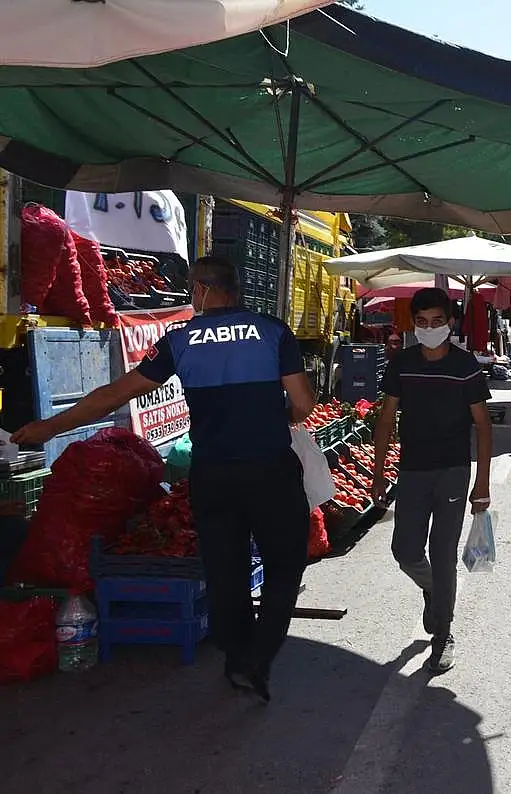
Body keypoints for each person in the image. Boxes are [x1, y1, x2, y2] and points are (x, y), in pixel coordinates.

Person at [13, 256, 315, 703]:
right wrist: (276, 415)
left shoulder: (180, 340)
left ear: (201, 289)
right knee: (285, 562)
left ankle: (236, 659)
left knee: (225, 568)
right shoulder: (272, 331)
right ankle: (260, 654)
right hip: (269, 468)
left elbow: (114, 394)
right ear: (235, 288)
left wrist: (49, 427)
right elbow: (304, 403)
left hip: (214, 474)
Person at [371, 287, 492, 674]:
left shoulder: (465, 365)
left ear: (450, 323)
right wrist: (378, 471)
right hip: (412, 471)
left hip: (453, 472)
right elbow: (386, 419)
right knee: (405, 551)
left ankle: (443, 633)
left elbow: (483, 426)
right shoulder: (402, 364)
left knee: (443, 554)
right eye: (422, 322)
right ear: (413, 325)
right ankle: (434, 591)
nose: (430, 328)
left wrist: (483, 484)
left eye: (437, 321)